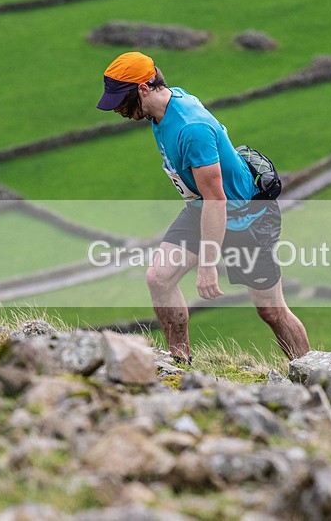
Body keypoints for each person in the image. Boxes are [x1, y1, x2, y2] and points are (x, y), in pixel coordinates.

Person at [96, 51, 310, 365]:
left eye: (119, 99)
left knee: (271, 311)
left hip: (246, 217)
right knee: (159, 278)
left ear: (143, 88)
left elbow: (217, 199)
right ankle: (180, 362)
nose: (115, 108)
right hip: (203, 207)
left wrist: (208, 266)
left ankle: (314, 371)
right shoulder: (162, 108)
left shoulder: (190, 129)